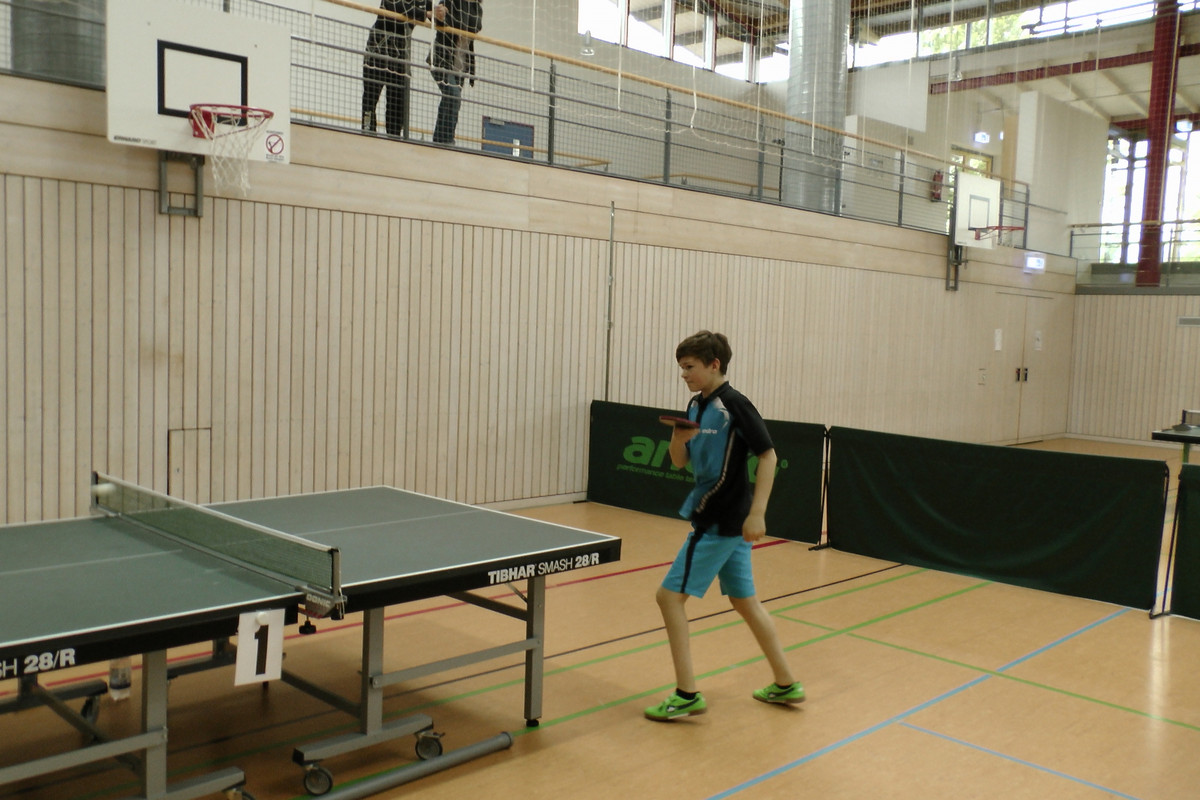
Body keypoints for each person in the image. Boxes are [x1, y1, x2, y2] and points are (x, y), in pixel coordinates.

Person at [644, 330, 804, 722]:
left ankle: (686, 694)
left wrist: (758, 513)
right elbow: (680, 461)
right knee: (745, 602)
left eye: (690, 367)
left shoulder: (735, 405)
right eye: (681, 368)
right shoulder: (695, 405)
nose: (684, 374)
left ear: (714, 364)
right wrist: (678, 437)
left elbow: (768, 456)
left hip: (720, 518)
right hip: (725, 520)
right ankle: (786, 683)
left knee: (668, 598)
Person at [361, 0, 429, 137]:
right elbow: (395, 5)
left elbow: (427, 15)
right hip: (378, 50)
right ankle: (368, 133)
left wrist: (436, 14)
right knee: (370, 99)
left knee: (396, 104)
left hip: (400, 54)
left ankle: (394, 138)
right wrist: (425, 13)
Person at [429, 0, 482, 145]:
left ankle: (440, 139)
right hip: (442, 60)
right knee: (453, 96)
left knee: (450, 100)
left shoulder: (476, 8)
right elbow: (438, 17)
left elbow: (476, 26)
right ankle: (447, 140)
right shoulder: (451, 1)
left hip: (460, 65)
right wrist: (440, 15)